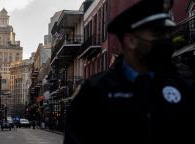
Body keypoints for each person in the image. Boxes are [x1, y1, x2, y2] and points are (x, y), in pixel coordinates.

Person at [64, 0, 195, 143]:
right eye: (157, 33)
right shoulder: (95, 91)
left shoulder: (183, 87)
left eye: (167, 33)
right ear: (131, 40)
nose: (166, 40)